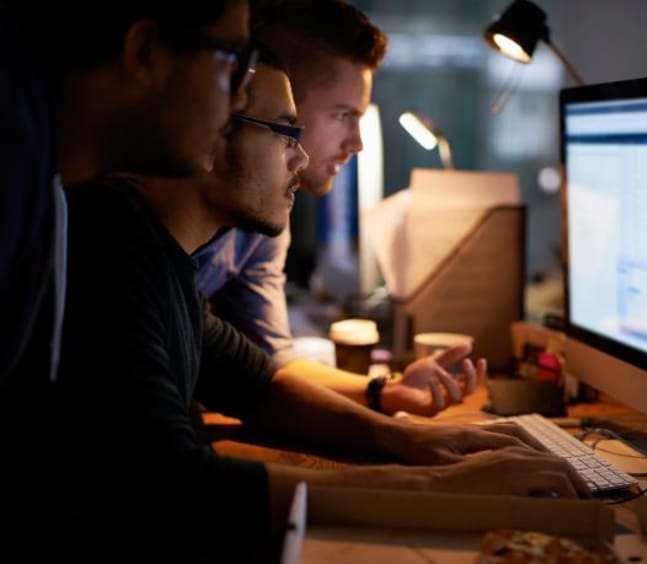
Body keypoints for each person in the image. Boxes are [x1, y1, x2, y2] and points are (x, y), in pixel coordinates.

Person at [25, 46, 589, 561]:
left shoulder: (159, 256)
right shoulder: (108, 248)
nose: (300, 159)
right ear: (212, 135)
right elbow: (177, 486)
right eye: (285, 133)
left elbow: (260, 386)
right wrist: (439, 487)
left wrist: (405, 436)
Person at [193, 0, 478, 417]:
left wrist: (387, 389)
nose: (357, 143)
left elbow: (271, 362)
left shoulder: (264, 219)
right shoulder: (142, 224)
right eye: (343, 115)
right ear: (269, 94)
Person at [0, 0, 255, 395]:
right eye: (232, 60)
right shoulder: (14, 159)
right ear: (145, 52)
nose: (240, 99)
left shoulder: (47, 174)